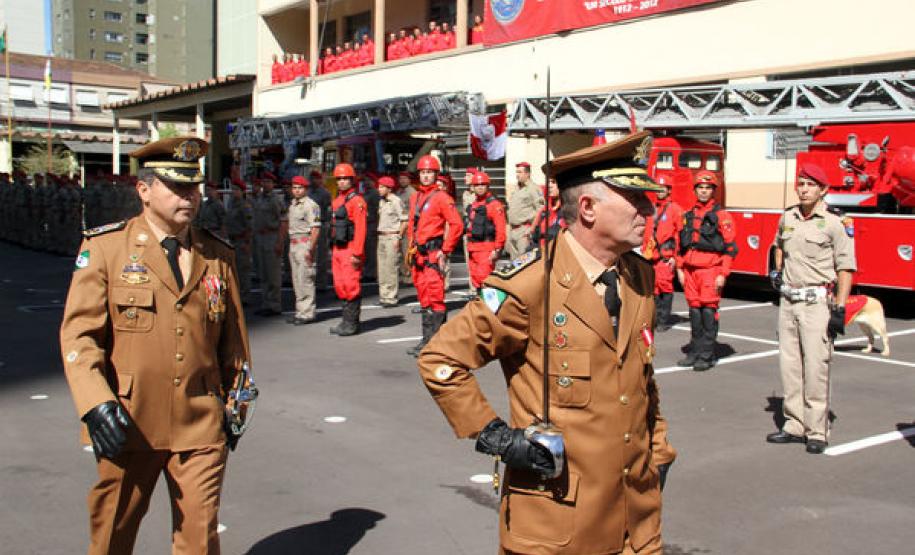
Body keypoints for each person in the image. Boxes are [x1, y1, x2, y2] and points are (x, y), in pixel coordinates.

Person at [418, 131, 676, 555]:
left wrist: (660, 453)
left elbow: (642, 382)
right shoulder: (531, 284)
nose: (648, 208)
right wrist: (497, 437)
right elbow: (441, 360)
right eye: (634, 198)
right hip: (559, 526)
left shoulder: (638, 277)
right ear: (588, 208)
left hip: (637, 523)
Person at [59, 137, 251, 554]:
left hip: (200, 421)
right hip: (129, 420)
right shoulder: (107, 249)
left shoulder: (217, 254)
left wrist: (236, 405)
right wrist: (95, 403)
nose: (189, 196)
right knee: (113, 532)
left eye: (194, 187)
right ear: (144, 190)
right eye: (176, 186)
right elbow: (79, 336)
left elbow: (233, 342)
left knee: (199, 540)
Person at [766, 163, 856, 454]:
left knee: (816, 367)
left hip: (817, 303)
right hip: (788, 301)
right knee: (790, 366)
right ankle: (794, 424)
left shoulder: (833, 223)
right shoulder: (787, 217)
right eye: (801, 183)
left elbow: (845, 267)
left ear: (823, 190)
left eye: (810, 184)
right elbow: (778, 244)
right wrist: (777, 271)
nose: (803, 189)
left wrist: (840, 307)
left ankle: (817, 430)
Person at [675, 170, 737, 371]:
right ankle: (694, 352)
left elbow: (730, 248)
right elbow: (680, 244)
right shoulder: (688, 215)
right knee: (694, 312)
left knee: (708, 313)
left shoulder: (722, 216)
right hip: (690, 271)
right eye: (700, 187)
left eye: (708, 188)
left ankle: (707, 355)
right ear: (695, 190)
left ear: (713, 190)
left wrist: (723, 274)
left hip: (710, 270)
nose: (703, 191)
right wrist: (679, 268)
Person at [405, 155, 463, 356]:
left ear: (436, 175)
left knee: (435, 296)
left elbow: (457, 225)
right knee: (424, 297)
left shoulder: (442, 198)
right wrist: (410, 248)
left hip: (432, 254)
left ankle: (437, 345)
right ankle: (427, 340)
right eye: (423, 172)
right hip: (418, 255)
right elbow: (412, 224)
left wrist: (445, 250)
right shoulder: (416, 197)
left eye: (429, 172)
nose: (426, 176)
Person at [329, 163, 368, 336]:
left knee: (351, 285)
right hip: (338, 248)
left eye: (345, 179)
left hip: (351, 248)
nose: (342, 182)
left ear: (352, 180)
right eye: (339, 179)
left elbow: (361, 229)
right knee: (340, 285)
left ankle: (352, 323)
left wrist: (357, 254)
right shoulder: (337, 200)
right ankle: (345, 321)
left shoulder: (357, 201)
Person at [641, 175, 683, 332]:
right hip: (651, 256)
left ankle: (663, 320)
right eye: (657, 187)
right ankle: (656, 318)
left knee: (665, 286)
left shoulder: (675, 210)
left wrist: (675, 258)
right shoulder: (651, 209)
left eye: (663, 188)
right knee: (654, 288)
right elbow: (646, 232)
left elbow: (680, 236)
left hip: (666, 256)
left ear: (669, 190)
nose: (660, 191)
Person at [287, 175, 322, 325]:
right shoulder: (293, 205)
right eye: (294, 187)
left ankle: (307, 313)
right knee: (297, 279)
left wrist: (311, 249)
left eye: (300, 188)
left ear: (305, 189)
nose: (296, 190)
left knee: (306, 278)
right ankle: (300, 311)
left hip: (304, 243)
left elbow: (315, 229)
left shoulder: (311, 205)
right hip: (294, 244)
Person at [464, 170, 506, 293]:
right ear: (473, 187)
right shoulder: (473, 205)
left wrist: (498, 249)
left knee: (485, 279)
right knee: (475, 280)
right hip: (473, 248)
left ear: (488, 186)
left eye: (483, 185)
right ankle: (480, 306)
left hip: (486, 249)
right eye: (477, 185)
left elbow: (500, 228)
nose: (480, 187)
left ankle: (490, 308)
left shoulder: (494, 205)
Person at [253, 172, 287, 316]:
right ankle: (266, 303)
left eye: (268, 182)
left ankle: (274, 305)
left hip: (272, 237)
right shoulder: (259, 198)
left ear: (273, 184)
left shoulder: (276, 200)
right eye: (264, 181)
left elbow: (283, 222)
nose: (265, 184)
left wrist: (280, 242)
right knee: (263, 273)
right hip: (260, 237)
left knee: (273, 274)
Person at [376, 176, 407, 307]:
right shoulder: (382, 202)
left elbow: (404, 220)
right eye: (379, 186)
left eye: (382, 187)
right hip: (382, 236)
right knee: (382, 268)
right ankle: (383, 296)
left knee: (391, 267)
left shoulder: (396, 201)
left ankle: (391, 297)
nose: (379, 189)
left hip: (392, 236)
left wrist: (399, 237)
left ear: (389, 188)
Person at [506, 161, 544, 259]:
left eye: (520, 172)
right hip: (513, 230)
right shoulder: (517, 188)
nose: (517, 175)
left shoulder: (533, 188)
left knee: (523, 263)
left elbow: (541, 210)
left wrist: (531, 230)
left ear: (527, 174)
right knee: (513, 265)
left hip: (524, 231)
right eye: (516, 172)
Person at [226, 177, 254, 302]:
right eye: (233, 189)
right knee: (235, 268)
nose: (234, 192)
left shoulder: (245, 206)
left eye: (237, 190)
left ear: (242, 191)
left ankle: (245, 295)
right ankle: (237, 293)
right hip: (233, 240)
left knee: (243, 269)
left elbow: (249, 225)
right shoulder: (231, 204)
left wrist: (247, 243)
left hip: (242, 240)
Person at [306, 170, 332, 290]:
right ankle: (311, 281)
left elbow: (328, 210)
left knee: (321, 255)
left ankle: (321, 283)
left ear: (320, 180)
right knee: (310, 254)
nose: (313, 181)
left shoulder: (325, 193)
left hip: (321, 224)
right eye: (311, 178)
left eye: (316, 178)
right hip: (308, 225)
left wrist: (328, 225)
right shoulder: (307, 192)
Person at [529, 176, 565, 248]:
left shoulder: (567, 210)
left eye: (553, 182)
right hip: (540, 251)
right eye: (548, 182)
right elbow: (533, 232)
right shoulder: (544, 209)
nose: (549, 185)